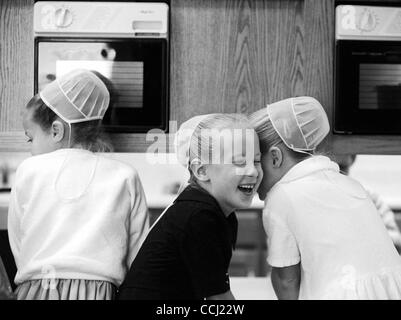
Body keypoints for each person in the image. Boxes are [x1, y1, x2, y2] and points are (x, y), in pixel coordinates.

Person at [8, 69, 149, 300]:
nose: (30, 148)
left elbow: (19, 244)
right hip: (101, 293)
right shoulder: (125, 176)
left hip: (37, 290)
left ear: (56, 130)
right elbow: (140, 256)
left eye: (30, 138)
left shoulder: (28, 170)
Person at [249, 96, 401, 300]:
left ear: (275, 158)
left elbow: (287, 281)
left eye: (255, 161)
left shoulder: (281, 197)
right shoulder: (350, 185)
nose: (251, 172)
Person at [117, 113, 263, 300]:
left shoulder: (211, 211)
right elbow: (219, 300)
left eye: (257, 161)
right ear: (201, 170)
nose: (253, 171)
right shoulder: (199, 217)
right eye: (240, 162)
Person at [334, 154, 401, 253]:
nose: (336, 174)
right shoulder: (311, 198)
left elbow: (396, 240)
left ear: (352, 159)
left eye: (341, 168)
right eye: (329, 169)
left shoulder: (367, 196)